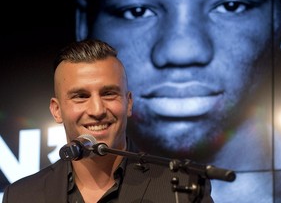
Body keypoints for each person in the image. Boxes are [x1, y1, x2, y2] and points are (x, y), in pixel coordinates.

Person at [74, 0, 281, 202]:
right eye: (136, 11)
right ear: (83, 26)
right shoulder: (49, 189)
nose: (182, 51)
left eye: (230, 6)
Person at [2, 39, 214, 203]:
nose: (97, 110)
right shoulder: (22, 196)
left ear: (128, 103)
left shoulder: (183, 187)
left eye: (109, 94)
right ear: (57, 110)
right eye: (81, 96)